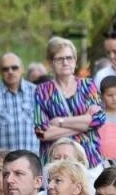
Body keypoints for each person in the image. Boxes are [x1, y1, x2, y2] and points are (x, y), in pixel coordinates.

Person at [34, 36, 109, 167]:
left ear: (75, 61)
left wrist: (60, 122)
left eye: (69, 58)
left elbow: (98, 120)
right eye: (59, 58)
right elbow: (42, 132)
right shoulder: (42, 91)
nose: (65, 62)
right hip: (55, 162)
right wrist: (85, 123)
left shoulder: (87, 85)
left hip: (88, 159)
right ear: (51, 63)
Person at [0, 53, 37, 153]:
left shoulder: (36, 92)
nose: (10, 72)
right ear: (0, 72)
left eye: (14, 68)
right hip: (3, 162)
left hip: (32, 159)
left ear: (22, 69)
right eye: (5, 69)